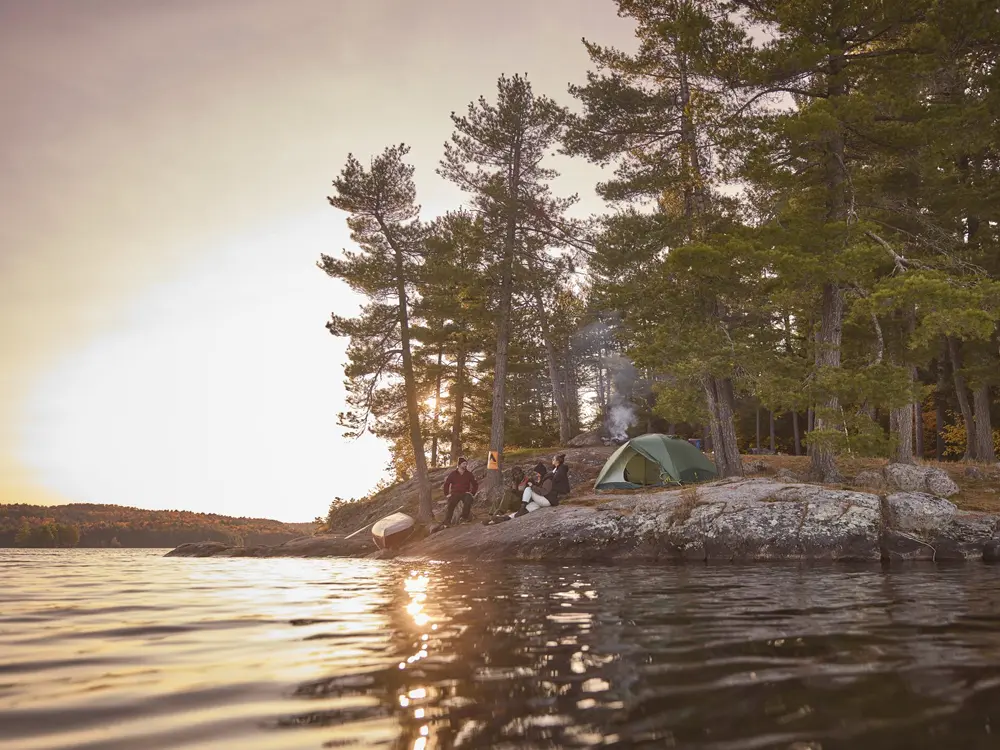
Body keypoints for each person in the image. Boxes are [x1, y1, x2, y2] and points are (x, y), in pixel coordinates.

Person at [442, 457, 478, 525]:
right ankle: (447, 522)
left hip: (465, 493)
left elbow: (475, 484)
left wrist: (472, 493)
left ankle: (464, 518)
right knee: (451, 504)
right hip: (455, 493)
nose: (465, 465)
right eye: (464, 464)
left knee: (468, 500)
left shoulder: (469, 474)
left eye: (466, 464)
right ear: (459, 465)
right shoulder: (453, 474)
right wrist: (447, 494)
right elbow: (446, 484)